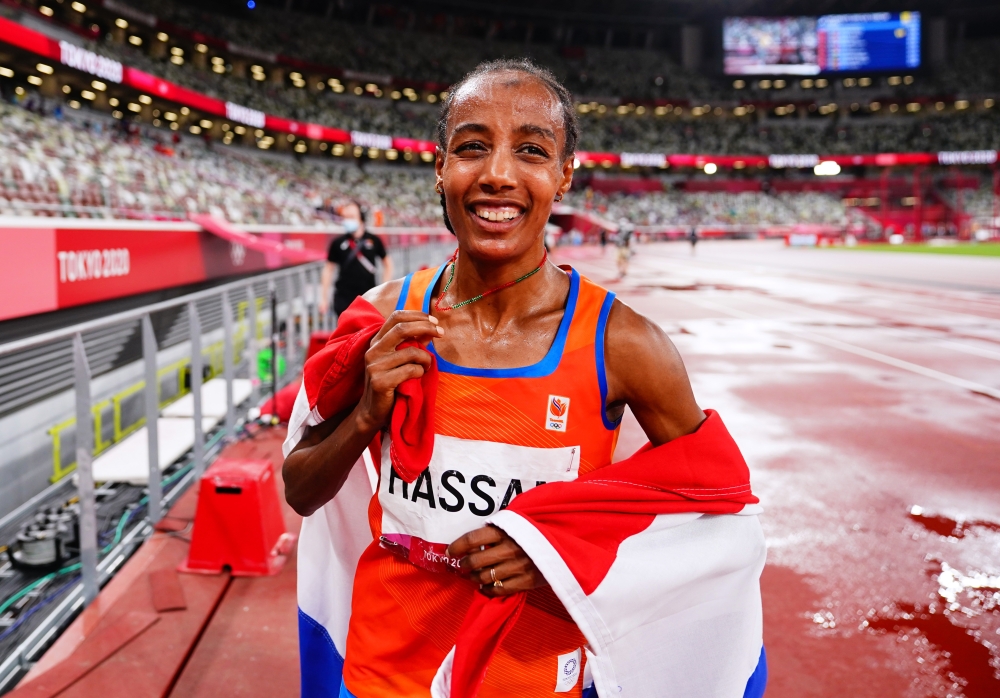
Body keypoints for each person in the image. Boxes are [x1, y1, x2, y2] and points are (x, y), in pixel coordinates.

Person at [284, 59, 765, 698]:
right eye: (472, 147)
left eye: (531, 151)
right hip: (384, 673)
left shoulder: (625, 345)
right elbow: (300, 489)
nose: (498, 175)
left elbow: (711, 516)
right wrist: (367, 415)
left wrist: (558, 555)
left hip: (535, 677)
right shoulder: (379, 318)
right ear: (440, 166)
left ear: (564, 175)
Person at [318, 201, 393, 318]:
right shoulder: (337, 243)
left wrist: (384, 290)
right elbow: (328, 269)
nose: (347, 220)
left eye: (351, 217)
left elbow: (388, 264)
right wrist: (324, 298)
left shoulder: (374, 240)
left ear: (361, 218)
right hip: (343, 299)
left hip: (369, 298)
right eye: (345, 217)